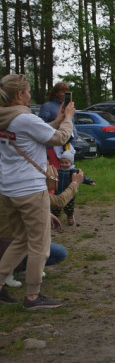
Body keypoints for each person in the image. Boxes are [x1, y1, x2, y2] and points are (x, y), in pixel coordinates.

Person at [0, 73, 75, 309]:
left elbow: (36, 133)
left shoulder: (6, 117)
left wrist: (58, 118)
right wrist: (69, 119)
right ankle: (33, 296)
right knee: (39, 245)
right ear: (20, 94)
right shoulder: (23, 118)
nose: (31, 95)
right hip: (30, 189)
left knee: (20, 240)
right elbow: (60, 138)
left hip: (9, 188)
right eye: (29, 91)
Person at [54, 148, 95, 226]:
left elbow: (82, 178)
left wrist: (89, 182)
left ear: (71, 162)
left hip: (70, 194)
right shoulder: (58, 171)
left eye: (66, 162)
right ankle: (54, 219)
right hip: (58, 193)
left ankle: (70, 216)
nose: (64, 164)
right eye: (62, 162)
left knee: (69, 207)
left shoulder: (73, 171)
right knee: (55, 207)